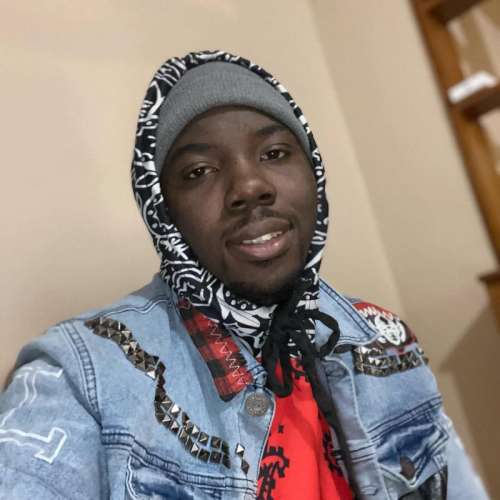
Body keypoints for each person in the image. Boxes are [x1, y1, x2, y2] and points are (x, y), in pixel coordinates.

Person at [0, 50, 488, 500]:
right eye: (199, 171)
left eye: (274, 153)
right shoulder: (79, 375)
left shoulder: (387, 341)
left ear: (314, 174)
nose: (250, 186)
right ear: (163, 211)